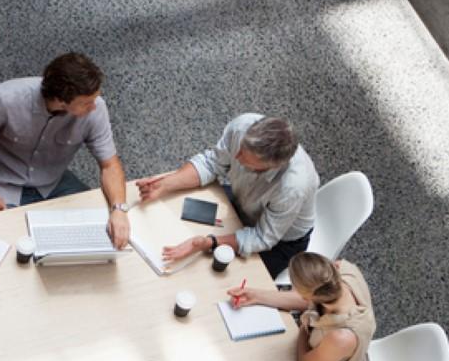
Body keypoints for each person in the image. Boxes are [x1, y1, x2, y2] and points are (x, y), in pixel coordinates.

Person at [0, 52, 131, 248]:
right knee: (8, 245)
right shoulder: (5, 99)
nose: (94, 107)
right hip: (1, 181)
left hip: (52, 182)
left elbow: (110, 164)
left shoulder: (96, 109)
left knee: (98, 224)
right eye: (86, 103)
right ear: (61, 100)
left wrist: (119, 210)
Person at [137, 114, 319, 278]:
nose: (236, 156)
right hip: (243, 202)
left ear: (270, 166)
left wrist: (210, 242)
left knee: (217, 279)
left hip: (279, 240)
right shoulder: (243, 127)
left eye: (246, 159)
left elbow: (263, 237)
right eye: (240, 149)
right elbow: (212, 163)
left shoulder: (293, 186)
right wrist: (165, 184)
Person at [227, 253, 375, 361]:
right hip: (330, 353)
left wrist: (304, 326)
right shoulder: (341, 271)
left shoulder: (341, 337)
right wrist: (256, 296)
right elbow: (309, 302)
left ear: (306, 295)